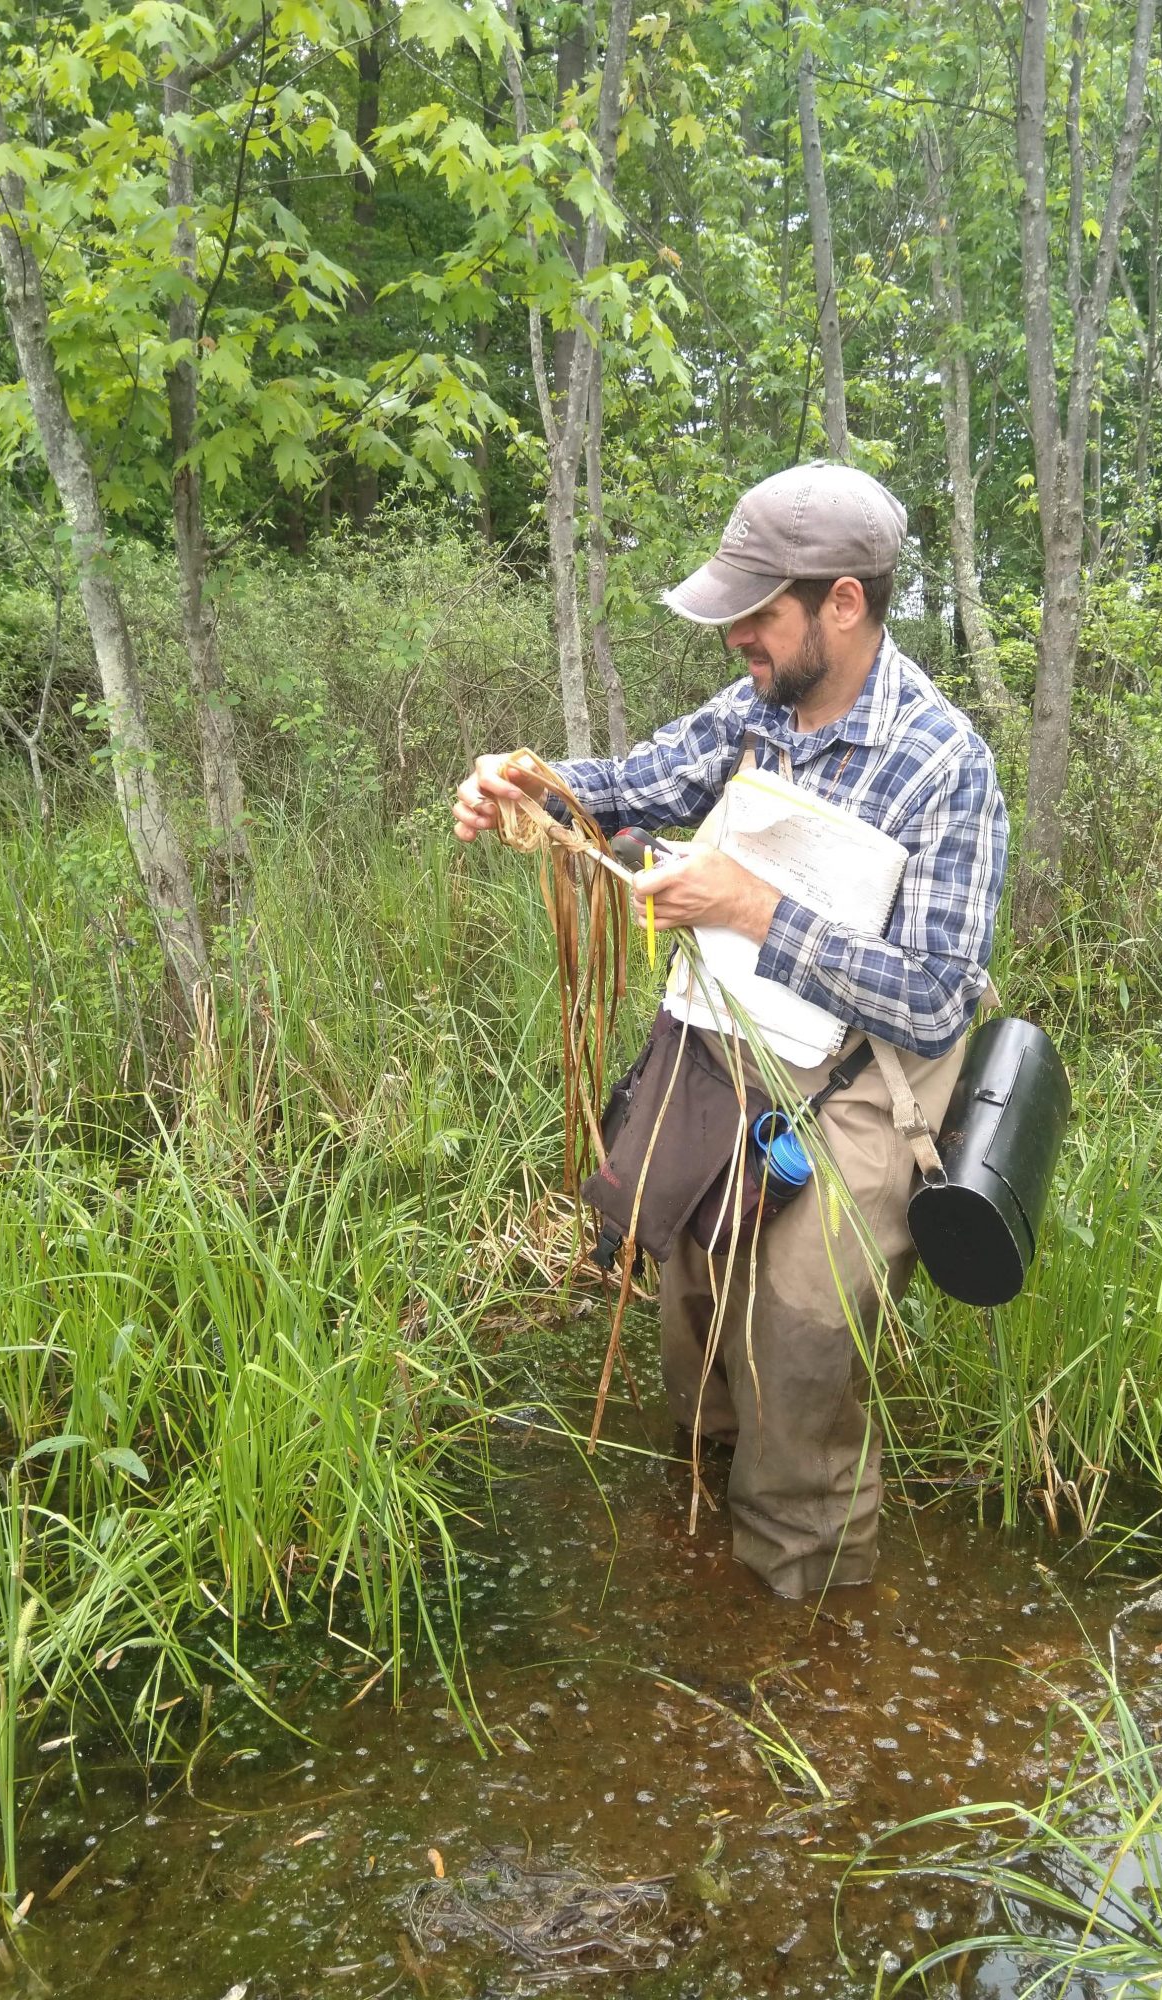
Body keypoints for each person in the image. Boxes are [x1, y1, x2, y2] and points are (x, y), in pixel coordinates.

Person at [453, 462, 1008, 1598]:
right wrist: (529, 786)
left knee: (799, 1338)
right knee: (694, 1294)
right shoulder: (754, 706)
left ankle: (804, 1619)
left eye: (757, 612)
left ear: (842, 603)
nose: (735, 637)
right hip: (728, 1053)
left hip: (866, 1078)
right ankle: (703, 1541)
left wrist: (757, 909)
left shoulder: (945, 765)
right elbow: (628, 785)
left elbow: (936, 997)